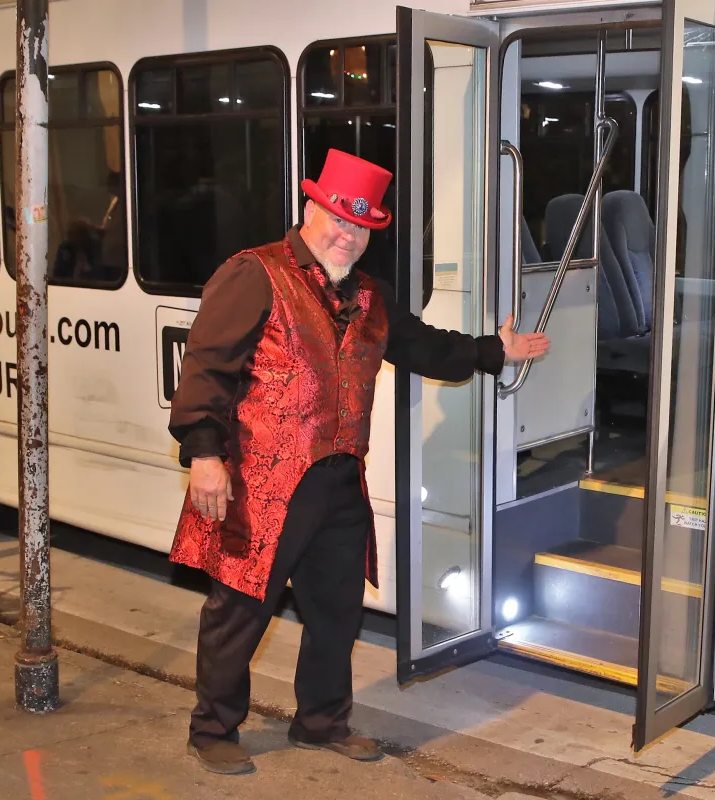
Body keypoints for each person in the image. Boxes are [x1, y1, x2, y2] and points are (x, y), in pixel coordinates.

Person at [168, 149, 550, 776]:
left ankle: (321, 722)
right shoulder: (254, 274)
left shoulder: (371, 296)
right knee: (240, 607)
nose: (349, 236)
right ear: (311, 211)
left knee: (335, 608)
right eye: (340, 220)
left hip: (340, 477)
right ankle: (213, 729)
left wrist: (492, 351)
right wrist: (206, 455)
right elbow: (207, 369)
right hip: (265, 483)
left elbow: (422, 344)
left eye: (363, 226)